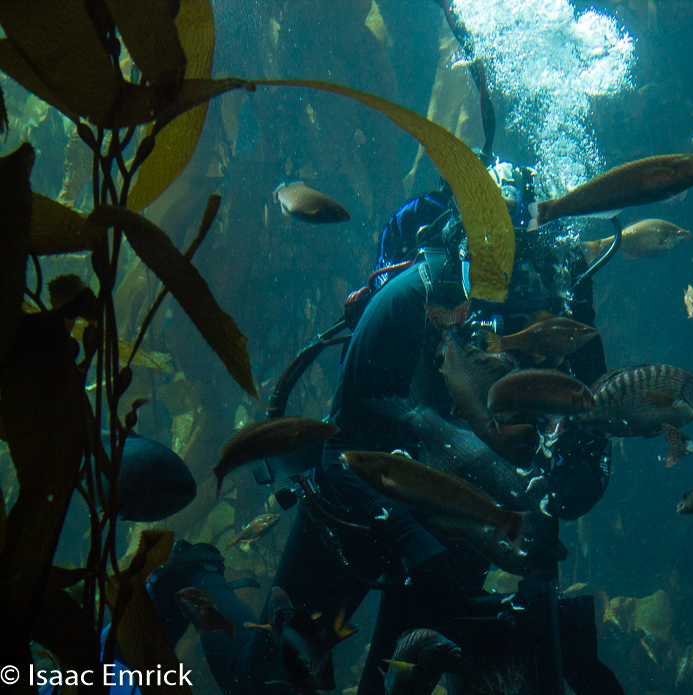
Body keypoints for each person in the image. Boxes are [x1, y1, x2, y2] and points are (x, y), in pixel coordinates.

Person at [145, 154, 623, 695]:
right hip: (355, 516)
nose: (510, 335)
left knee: (389, 677)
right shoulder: (401, 306)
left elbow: (593, 436)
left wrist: (559, 490)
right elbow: (337, 451)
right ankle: (198, 573)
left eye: (528, 319)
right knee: (265, 677)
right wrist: (407, 536)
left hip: (461, 521)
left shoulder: (565, 325)